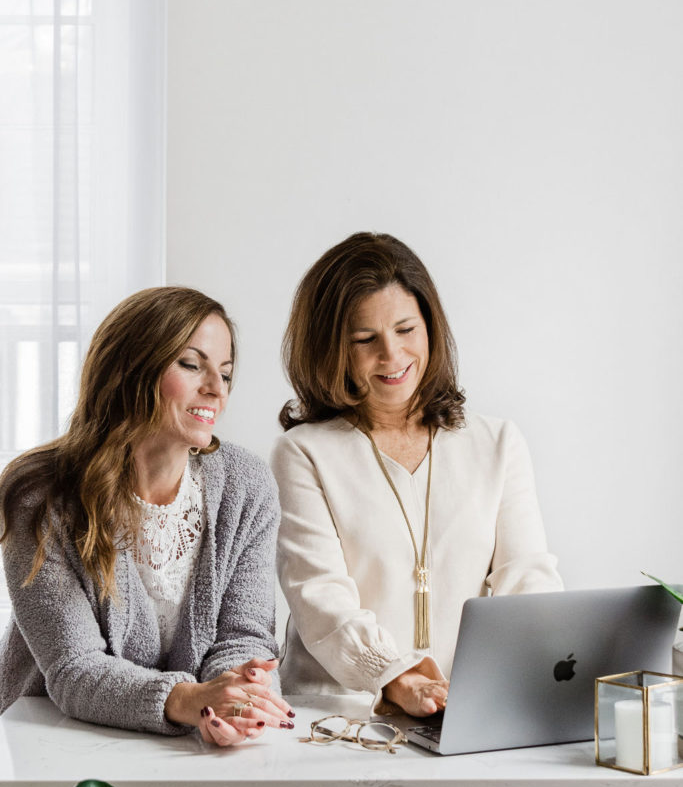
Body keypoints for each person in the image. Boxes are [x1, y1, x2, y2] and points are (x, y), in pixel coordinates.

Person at [271, 232, 563, 718]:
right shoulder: (303, 452)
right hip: (337, 716)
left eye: (406, 329)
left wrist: (545, 668)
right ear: (330, 350)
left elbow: (527, 580)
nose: (392, 355)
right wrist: (395, 676)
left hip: (460, 709)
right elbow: (319, 596)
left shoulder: (497, 443)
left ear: (430, 326)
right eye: (365, 340)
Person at [0, 287, 294, 747]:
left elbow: (244, 636)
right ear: (130, 368)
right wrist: (187, 699)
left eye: (226, 373)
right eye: (192, 365)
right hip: (49, 746)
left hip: (178, 750)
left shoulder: (246, 485)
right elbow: (74, 669)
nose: (216, 389)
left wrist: (241, 695)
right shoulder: (39, 495)